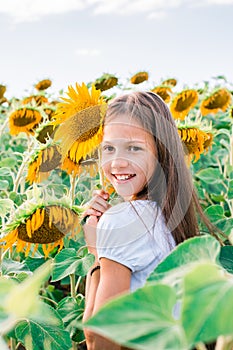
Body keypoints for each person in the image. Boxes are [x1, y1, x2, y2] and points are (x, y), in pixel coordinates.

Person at [82, 91, 215, 350]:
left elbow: (97, 336)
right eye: (109, 148)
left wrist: (97, 257)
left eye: (134, 148)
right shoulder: (170, 214)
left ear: (160, 151)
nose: (117, 162)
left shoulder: (123, 221)